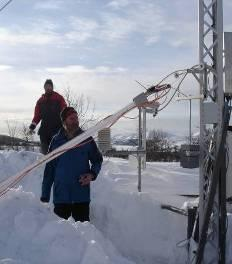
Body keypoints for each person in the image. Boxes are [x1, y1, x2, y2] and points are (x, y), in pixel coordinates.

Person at [40, 107, 103, 222]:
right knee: (60, 235)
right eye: (72, 118)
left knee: (84, 234)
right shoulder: (56, 141)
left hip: (81, 195)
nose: (76, 121)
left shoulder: (86, 139)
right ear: (64, 121)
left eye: (76, 118)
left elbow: (97, 159)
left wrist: (92, 174)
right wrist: (45, 194)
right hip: (61, 197)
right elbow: (50, 169)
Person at [29, 79, 67, 154]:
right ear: (44, 88)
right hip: (44, 131)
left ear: (52, 87)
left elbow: (65, 111)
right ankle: (45, 164)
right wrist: (32, 126)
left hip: (57, 130)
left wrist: (67, 123)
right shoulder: (40, 101)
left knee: (56, 153)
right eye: (46, 86)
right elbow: (37, 116)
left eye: (49, 86)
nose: (48, 88)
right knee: (45, 154)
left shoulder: (59, 98)